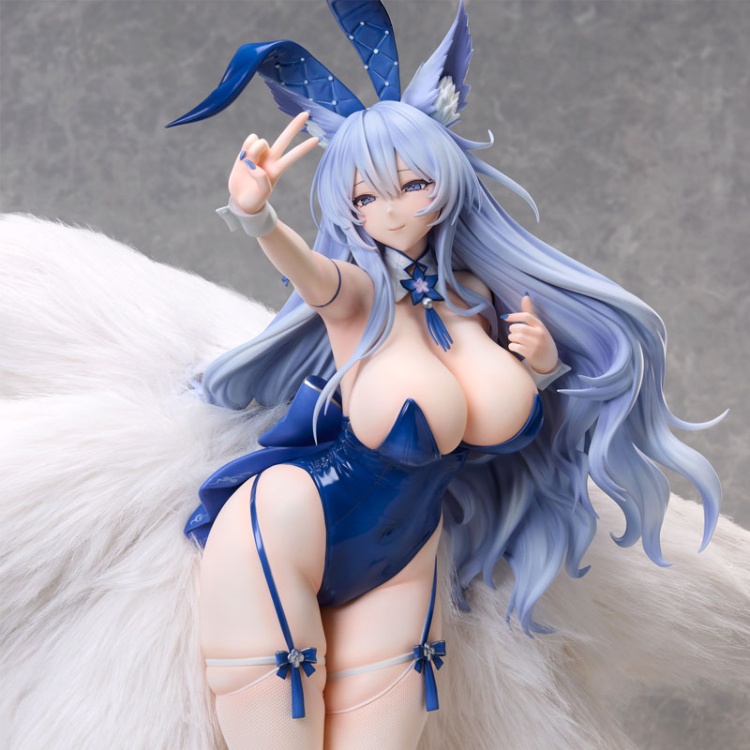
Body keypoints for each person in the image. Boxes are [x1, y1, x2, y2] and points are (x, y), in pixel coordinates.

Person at [164, 2, 723, 748]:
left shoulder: (478, 299)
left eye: (410, 185)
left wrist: (542, 369)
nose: (390, 211)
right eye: (366, 198)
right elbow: (310, 273)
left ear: (446, 180)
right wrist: (260, 218)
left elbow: (501, 421)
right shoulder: (357, 294)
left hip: (405, 555)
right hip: (287, 526)